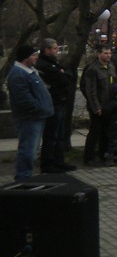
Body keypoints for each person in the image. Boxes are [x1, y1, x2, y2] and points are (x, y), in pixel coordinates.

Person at [7, 44, 54, 180]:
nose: (36, 58)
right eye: (33, 55)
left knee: (33, 150)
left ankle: (27, 176)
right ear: (25, 58)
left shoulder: (30, 71)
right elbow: (24, 99)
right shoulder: (18, 74)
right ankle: (23, 177)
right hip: (30, 117)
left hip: (38, 116)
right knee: (28, 150)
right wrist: (40, 108)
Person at [35, 39, 76, 173]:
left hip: (59, 101)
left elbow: (67, 76)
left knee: (59, 134)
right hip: (52, 102)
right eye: (54, 49)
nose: (57, 51)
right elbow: (61, 79)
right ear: (47, 50)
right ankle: (48, 164)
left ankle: (59, 161)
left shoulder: (53, 63)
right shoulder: (44, 65)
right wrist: (62, 74)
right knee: (51, 135)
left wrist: (64, 74)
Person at [81, 45, 114, 165]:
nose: (108, 55)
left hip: (109, 105)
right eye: (105, 53)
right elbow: (90, 90)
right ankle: (89, 157)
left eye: (109, 53)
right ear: (99, 54)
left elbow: (113, 85)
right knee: (95, 132)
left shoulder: (111, 67)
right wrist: (96, 107)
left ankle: (103, 154)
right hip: (98, 105)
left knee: (106, 132)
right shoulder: (92, 69)